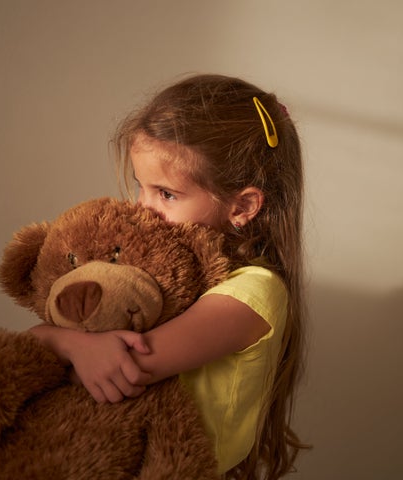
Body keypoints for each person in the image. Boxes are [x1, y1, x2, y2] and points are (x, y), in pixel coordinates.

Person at [30, 73, 309, 479]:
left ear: (242, 205)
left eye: (167, 194)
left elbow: (126, 366)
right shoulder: (152, 272)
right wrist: (64, 342)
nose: (143, 208)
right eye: (140, 187)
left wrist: (65, 346)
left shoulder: (254, 292)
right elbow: (31, 347)